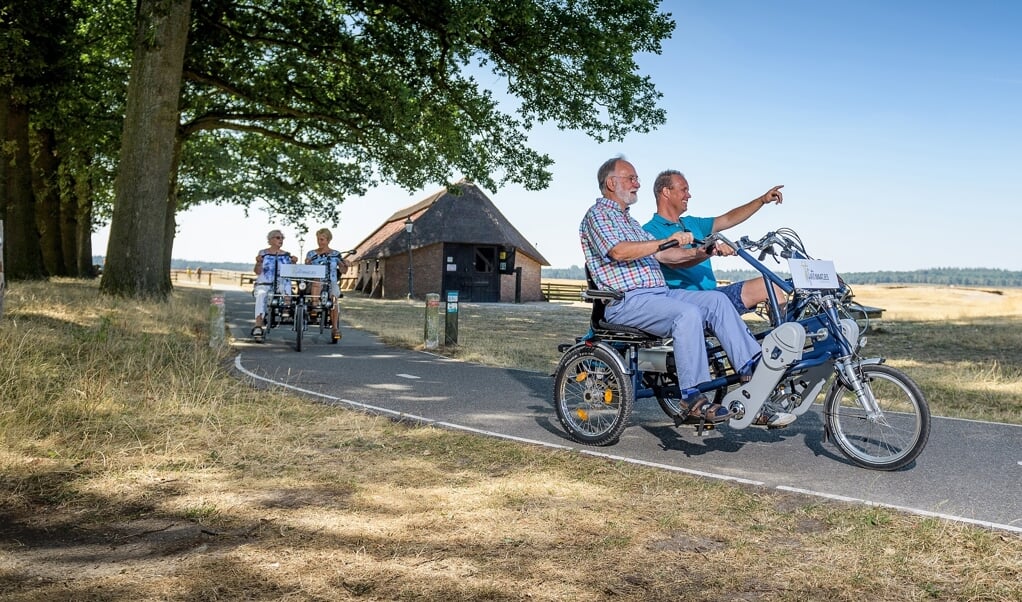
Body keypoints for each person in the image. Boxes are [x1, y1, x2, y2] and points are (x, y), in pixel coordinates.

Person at [580, 157, 793, 427]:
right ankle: (691, 397)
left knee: (716, 300)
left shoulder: (630, 223)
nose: (637, 184)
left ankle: (752, 370)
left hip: (658, 295)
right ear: (612, 183)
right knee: (687, 314)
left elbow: (669, 256)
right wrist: (664, 241)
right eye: (631, 178)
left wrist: (698, 250)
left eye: (636, 179)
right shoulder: (598, 216)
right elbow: (619, 251)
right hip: (627, 300)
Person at [643, 170, 787, 314]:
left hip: (712, 294)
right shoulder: (649, 231)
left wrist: (762, 200)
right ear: (666, 192)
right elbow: (671, 257)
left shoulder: (692, 223)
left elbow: (728, 219)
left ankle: (785, 333)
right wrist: (708, 251)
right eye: (684, 190)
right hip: (685, 301)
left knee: (770, 286)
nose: (689, 195)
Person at [305, 228, 351, 343]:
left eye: (322, 239)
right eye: (318, 239)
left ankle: (335, 328)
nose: (320, 242)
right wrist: (307, 263)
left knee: (334, 300)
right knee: (316, 282)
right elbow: (306, 269)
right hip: (315, 282)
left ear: (328, 240)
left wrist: (346, 264)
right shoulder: (311, 253)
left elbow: (343, 270)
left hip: (331, 281)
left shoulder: (336, 254)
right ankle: (314, 309)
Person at [251, 229, 298, 341]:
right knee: (261, 295)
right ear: (270, 240)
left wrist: (293, 263)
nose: (280, 240)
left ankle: (286, 310)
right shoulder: (263, 253)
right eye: (278, 237)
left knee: (286, 285)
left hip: (281, 283)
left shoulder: (287, 255)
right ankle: (258, 326)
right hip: (265, 283)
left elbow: (291, 272)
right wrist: (258, 262)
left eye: (282, 238)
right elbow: (257, 272)